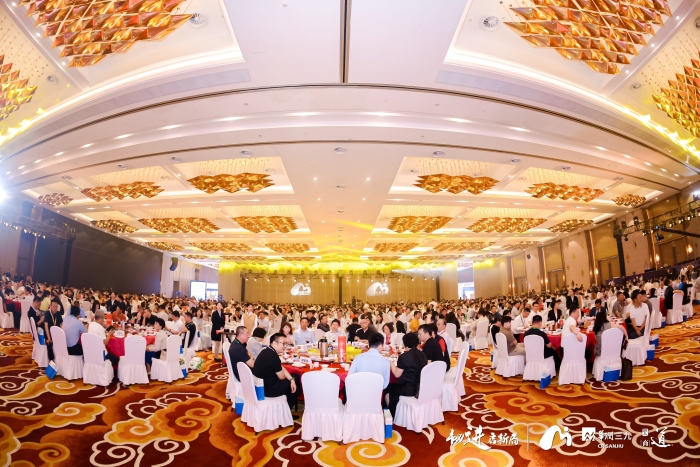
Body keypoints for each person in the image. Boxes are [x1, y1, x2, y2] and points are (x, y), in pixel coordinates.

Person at [253, 332, 300, 411]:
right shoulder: (273, 356)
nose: (285, 346)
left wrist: (291, 379)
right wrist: (292, 380)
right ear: (274, 343)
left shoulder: (266, 351)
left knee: (294, 378)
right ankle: (285, 412)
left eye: (286, 344)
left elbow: (280, 367)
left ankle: (283, 408)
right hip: (268, 390)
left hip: (260, 386)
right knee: (297, 384)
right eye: (283, 343)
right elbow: (282, 377)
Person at [384, 332, 428, 416]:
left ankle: (392, 413)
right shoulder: (422, 354)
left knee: (387, 387)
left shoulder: (404, 357)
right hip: (420, 387)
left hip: (408, 389)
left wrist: (391, 363)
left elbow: (397, 375)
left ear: (405, 344)